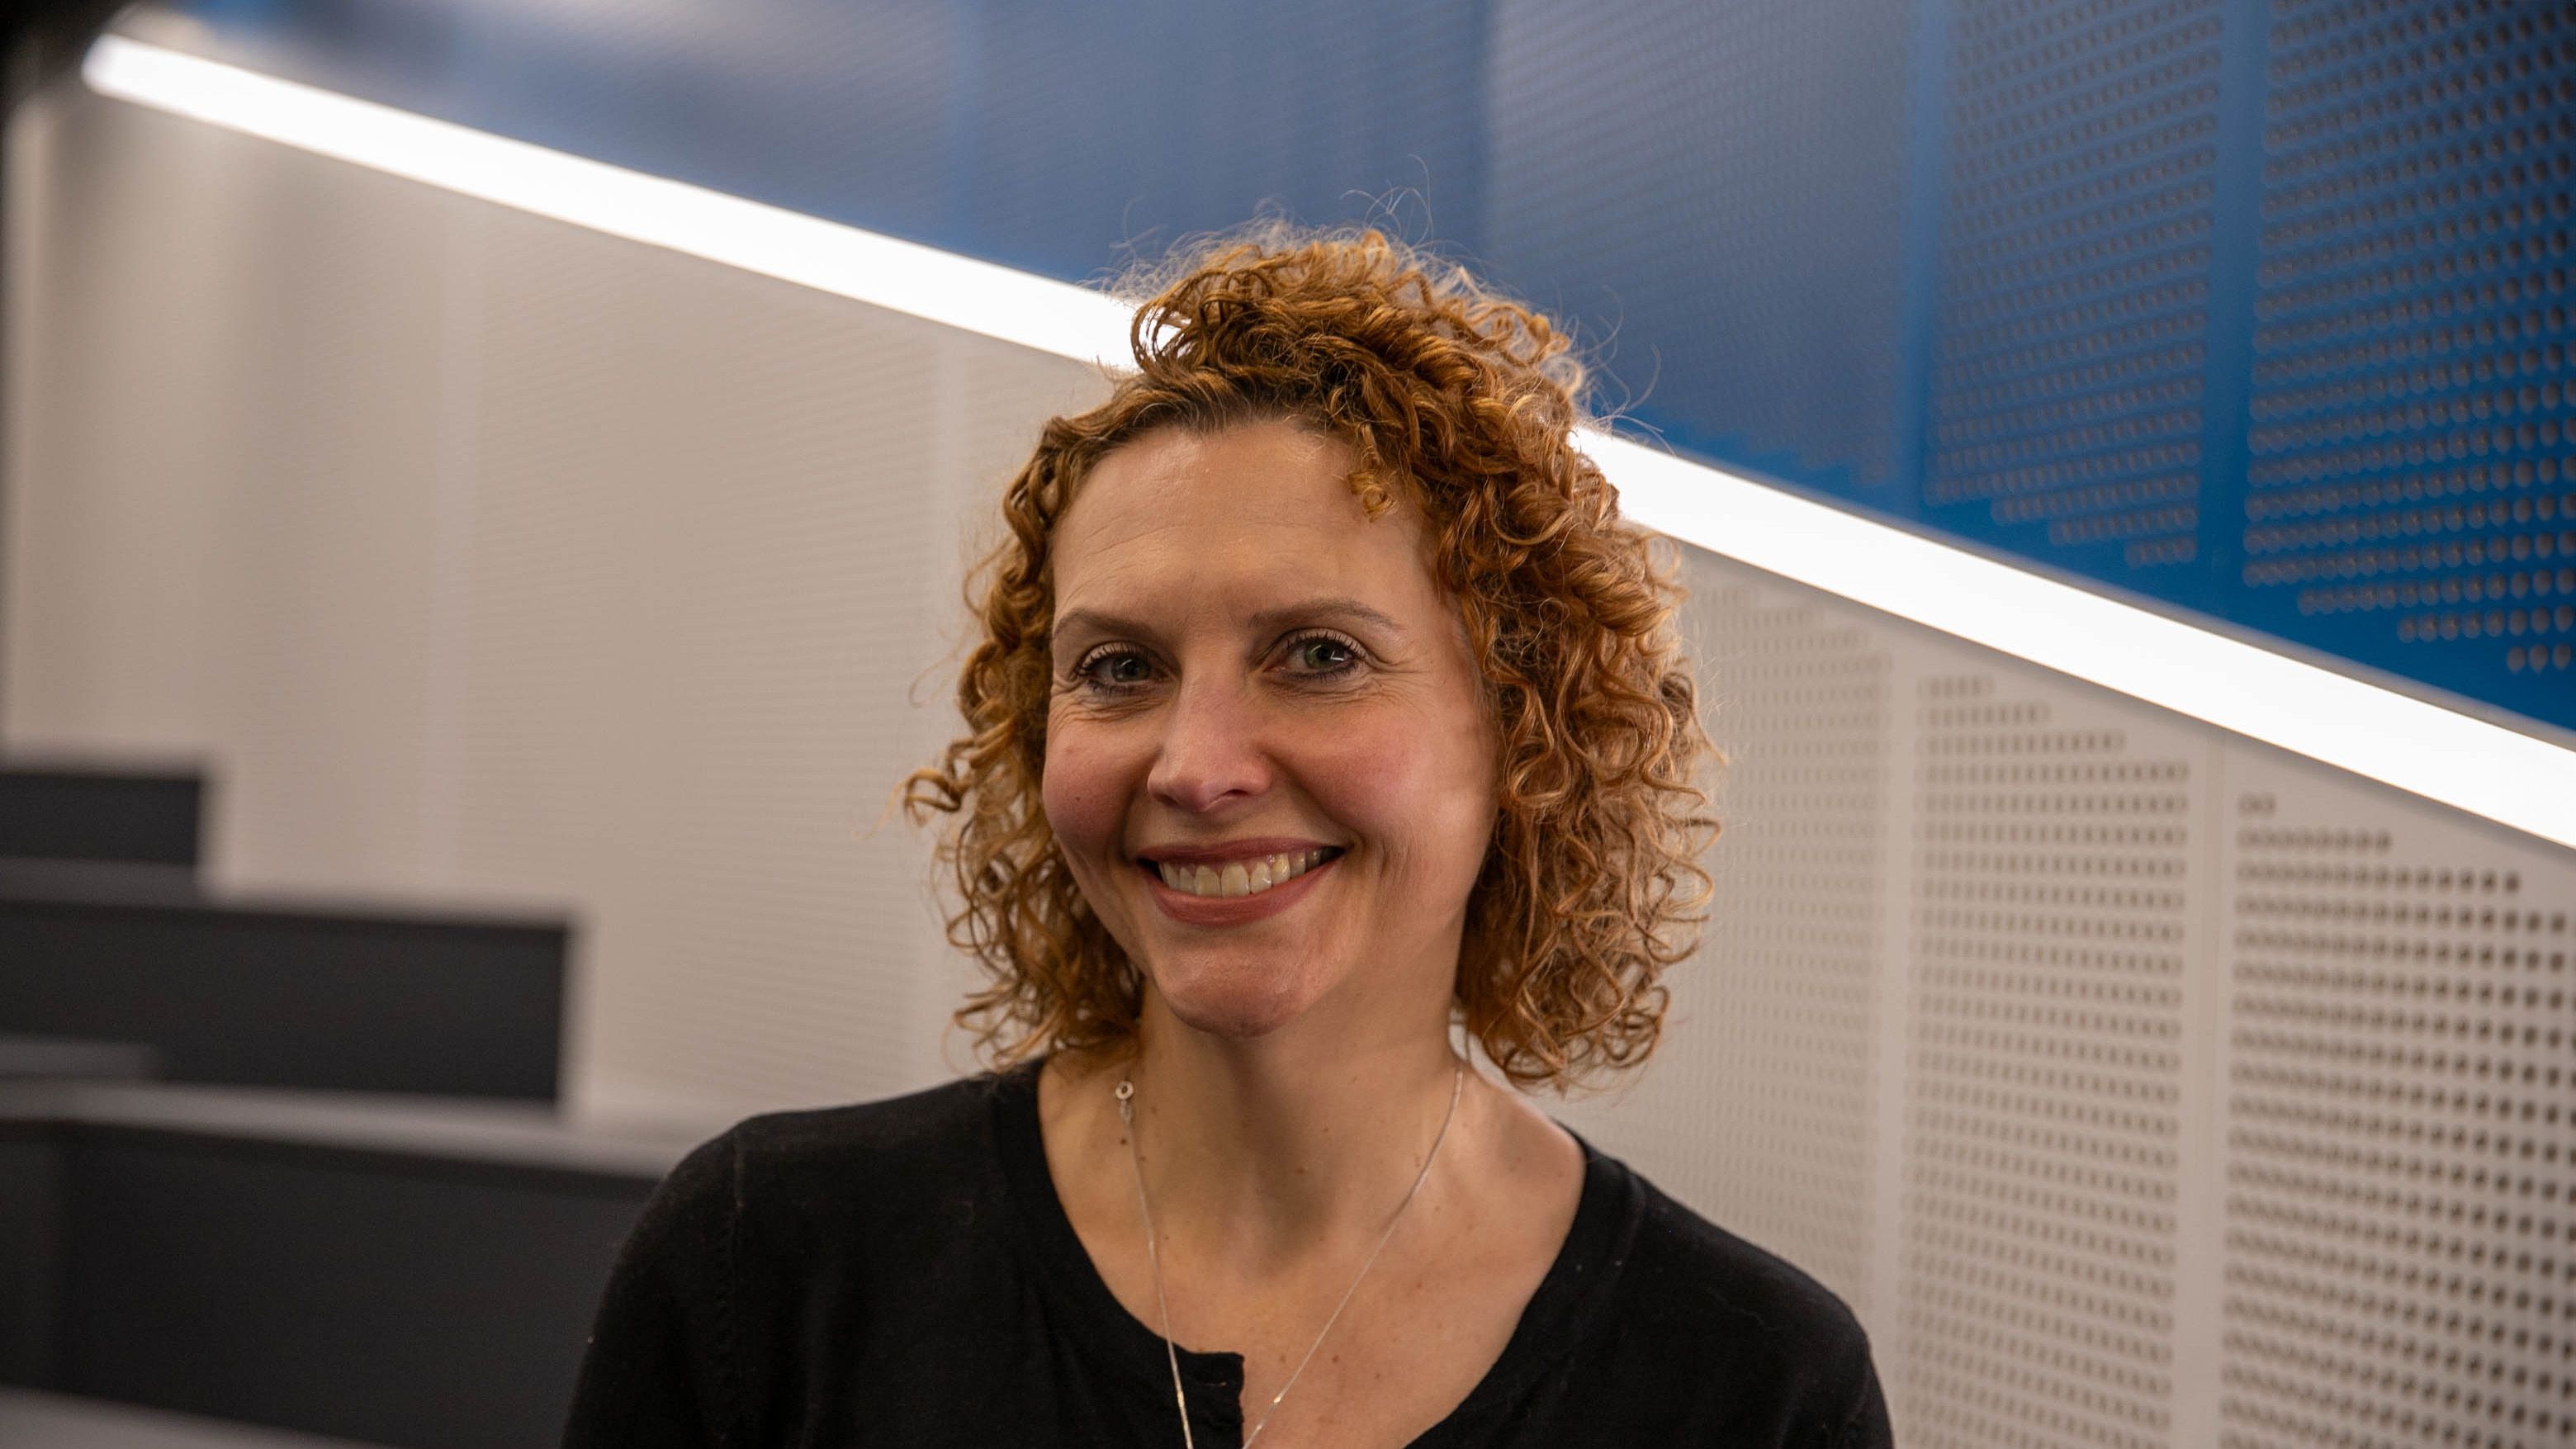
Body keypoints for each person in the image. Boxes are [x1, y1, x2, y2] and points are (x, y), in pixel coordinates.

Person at [561, 226, 1892, 1447]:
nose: (1196, 769)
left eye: (1318, 655)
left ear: (1523, 734)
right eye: (1119, 669)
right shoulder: (768, 1269)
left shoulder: (1750, 1389)